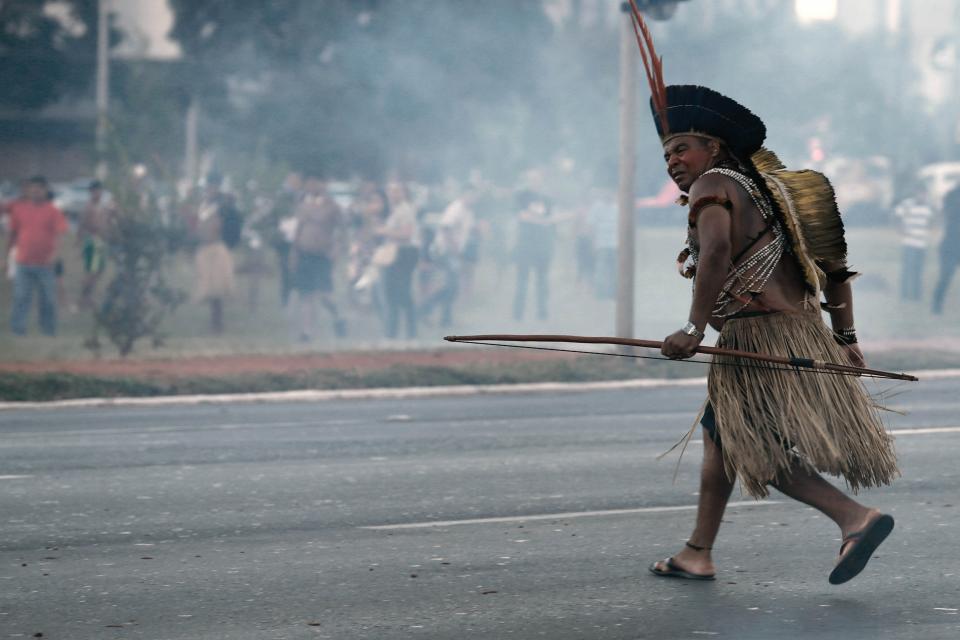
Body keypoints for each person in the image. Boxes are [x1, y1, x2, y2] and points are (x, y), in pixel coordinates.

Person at [628, 11, 898, 586]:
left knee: (754, 448)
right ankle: (697, 552)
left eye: (682, 149)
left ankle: (855, 517)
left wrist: (693, 328)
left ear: (713, 147)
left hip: (759, 332)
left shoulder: (714, 186)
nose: (674, 163)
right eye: (667, 156)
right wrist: (847, 339)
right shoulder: (772, 195)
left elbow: (719, 253)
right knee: (721, 439)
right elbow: (834, 271)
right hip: (798, 330)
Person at [3, 176, 69, 335]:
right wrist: (5, 257)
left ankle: (48, 330)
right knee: (21, 297)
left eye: (39, 188)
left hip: (45, 264)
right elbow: (12, 235)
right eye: (32, 188)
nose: (35, 191)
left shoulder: (53, 211)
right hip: (23, 262)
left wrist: (56, 254)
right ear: (28, 190)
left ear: (45, 190)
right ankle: (18, 330)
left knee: (48, 299)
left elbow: (61, 234)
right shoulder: (19, 209)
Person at [291, 177, 346, 341]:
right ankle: (307, 332)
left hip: (323, 255)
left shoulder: (332, 206)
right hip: (305, 253)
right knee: (306, 294)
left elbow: (342, 231)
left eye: (316, 182)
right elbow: (298, 229)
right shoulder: (303, 205)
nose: (312, 185)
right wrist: (294, 252)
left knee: (325, 295)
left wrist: (337, 249)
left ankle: (338, 318)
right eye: (310, 182)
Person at [419, 187, 478, 327]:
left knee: (452, 286)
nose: (474, 199)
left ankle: (443, 317)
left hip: (453, 252)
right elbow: (446, 228)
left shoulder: (468, 211)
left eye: (475, 196)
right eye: (471, 195)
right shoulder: (456, 208)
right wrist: (454, 249)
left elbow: (464, 230)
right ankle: (427, 308)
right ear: (464, 194)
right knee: (453, 285)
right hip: (445, 251)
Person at [192, 172, 236, 334]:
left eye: (214, 186)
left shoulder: (224, 204)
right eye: (209, 186)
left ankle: (217, 323)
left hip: (217, 247)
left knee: (217, 288)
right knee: (207, 286)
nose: (211, 189)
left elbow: (230, 222)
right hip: (204, 247)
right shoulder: (203, 204)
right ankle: (214, 322)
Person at [378, 182, 420, 339]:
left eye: (396, 191)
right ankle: (393, 332)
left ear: (403, 193)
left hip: (404, 253)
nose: (392, 194)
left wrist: (384, 231)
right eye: (390, 191)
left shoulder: (405, 209)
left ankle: (408, 332)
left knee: (401, 293)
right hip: (396, 252)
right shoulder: (395, 210)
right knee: (392, 293)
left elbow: (406, 234)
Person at [512, 190, 555, 322]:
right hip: (525, 253)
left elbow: (549, 230)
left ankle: (542, 312)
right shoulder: (523, 215)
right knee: (522, 283)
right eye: (535, 203)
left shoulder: (544, 217)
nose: (537, 206)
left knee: (541, 283)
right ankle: (518, 314)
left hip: (541, 253)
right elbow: (538, 220)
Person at [76, 180, 115, 311]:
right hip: (93, 241)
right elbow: (83, 224)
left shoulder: (103, 207)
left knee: (98, 271)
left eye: (99, 190)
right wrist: (79, 241)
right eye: (95, 190)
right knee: (92, 272)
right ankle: (84, 298)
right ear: (91, 192)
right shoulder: (89, 207)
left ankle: (87, 297)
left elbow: (108, 220)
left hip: (101, 241)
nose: (98, 193)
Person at [893, 182, 934, 301]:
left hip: (922, 244)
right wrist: (900, 229)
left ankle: (917, 295)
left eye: (924, 194)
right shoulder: (907, 204)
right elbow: (896, 216)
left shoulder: (927, 207)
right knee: (907, 270)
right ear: (916, 193)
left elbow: (931, 220)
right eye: (920, 193)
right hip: (909, 243)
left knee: (918, 270)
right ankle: (904, 295)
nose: (922, 196)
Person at [932, 182, 960, 314]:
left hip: (948, 244)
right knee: (945, 277)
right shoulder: (952, 196)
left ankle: (936, 306)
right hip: (951, 245)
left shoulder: (950, 196)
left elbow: (944, 213)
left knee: (944, 277)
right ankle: (936, 305)